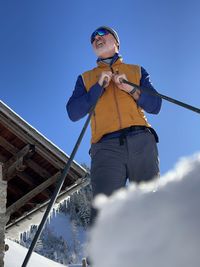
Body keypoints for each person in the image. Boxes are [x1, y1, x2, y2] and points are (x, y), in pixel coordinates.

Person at [66, 26, 162, 225]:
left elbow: (155, 105)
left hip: (141, 140)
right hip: (105, 148)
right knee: (103, 213)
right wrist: (97, 88)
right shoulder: (85, 78)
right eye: (93, 38)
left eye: (102, 34)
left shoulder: (136, 70)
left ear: (117, 43)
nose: (96, 38)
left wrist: (131, 89)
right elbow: (73, 112)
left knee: (149, 205)